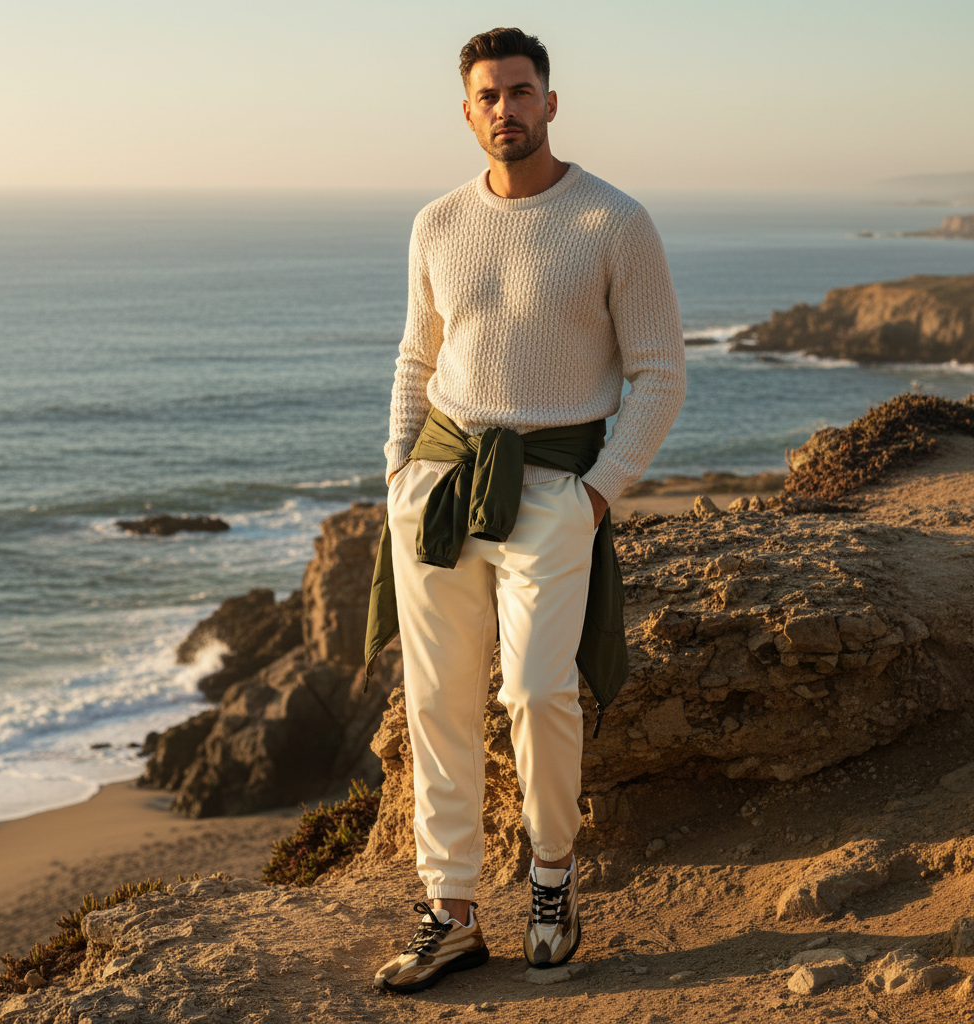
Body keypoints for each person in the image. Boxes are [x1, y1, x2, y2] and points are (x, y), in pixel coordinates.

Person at [368, 26, 685, 994]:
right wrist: (396, 473)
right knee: (438, 705)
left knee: (536, 692)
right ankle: (450, 911)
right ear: (466, 113)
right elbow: (417, 361)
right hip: (438, 482)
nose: (504, 108)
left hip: (553, 485)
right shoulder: (436, 223)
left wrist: (596, 492)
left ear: (551, 102)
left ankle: (551, 879)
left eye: (520, 90)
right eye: (486, 95)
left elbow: (660, 374)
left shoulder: (613, 222)